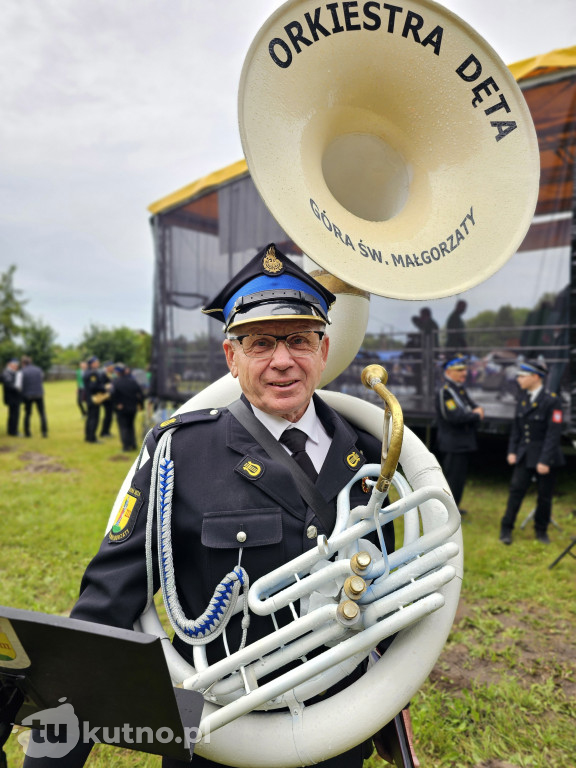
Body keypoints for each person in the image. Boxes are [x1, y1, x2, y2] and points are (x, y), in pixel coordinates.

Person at [24, 244, 395, 768]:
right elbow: (109, 603)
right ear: (231, 356)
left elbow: (385, 581)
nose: (283, 360)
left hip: (337, 728)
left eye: (298, 340)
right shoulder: (178, 451)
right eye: (260, 343)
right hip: (219, 736)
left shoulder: (374, 451)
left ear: (324, 347)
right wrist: (54, 755)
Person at [499, 359, 565, 545]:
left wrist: (544, 460)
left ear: (536, 377)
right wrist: (512, 451)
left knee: (544, 496)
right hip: (525, 454)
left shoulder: (552, 400)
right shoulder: (523, 399)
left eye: (523, 375)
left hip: (546, 456)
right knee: (516, 492)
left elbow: (553, 434)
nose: (519, 378)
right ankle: (506, 529)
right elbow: (517, 430)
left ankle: (541, 530)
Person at [435, 355, 484, 514]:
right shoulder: (446, 392)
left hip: (463, 442)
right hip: (453, 443)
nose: (464, 373)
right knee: (452, 480)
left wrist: (474, 412)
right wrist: (476, 415)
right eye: (460, 370)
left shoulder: (459, 389)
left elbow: (473, 406)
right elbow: (454, 417)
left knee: (459, 480)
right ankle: (446, 513)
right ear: (448, 372)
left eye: (465, 370)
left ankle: (454, 509)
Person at [110, 363, 144, 451]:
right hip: (133, 407)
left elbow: (112, 395)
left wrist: (116, 404)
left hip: (122, 408)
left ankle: (126, 446)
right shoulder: (133, 381)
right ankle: (133, 444)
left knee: (123, 427)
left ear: (117, 372)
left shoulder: (115, 382)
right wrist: (140, 404)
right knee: (131, 426)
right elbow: (140, 394)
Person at [20, 355, 48, 438]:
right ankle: (44, 432)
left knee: (27, 414)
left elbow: (19, 384)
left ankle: (27, 433)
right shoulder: (39, 369)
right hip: (39, 394)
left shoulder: (22, 371)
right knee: (42, 413)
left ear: (23, 363)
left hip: (28, 395)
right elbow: (41, 379)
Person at [83, 357, 109, 444]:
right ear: (92, 364)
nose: (98, 364)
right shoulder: (93, 373)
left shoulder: (87, 371)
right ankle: (92, 438)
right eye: (96, 362)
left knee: (90, 418)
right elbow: (93, 386)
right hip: (94, 398)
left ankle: (88, 436)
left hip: (89, 398)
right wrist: (104, 387)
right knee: (94, 418)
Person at [2, 359, 22, 436]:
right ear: (10, 365)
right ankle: (13, 431)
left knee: (13, 414)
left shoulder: (12, 372)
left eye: (17, 365)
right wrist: (18, 389)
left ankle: (11, 430)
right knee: (14, 415)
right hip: (12, 398)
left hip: (14, 397)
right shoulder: (6, 373)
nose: (16, 366)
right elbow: (9, 385)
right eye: (15, 365)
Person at [99, 361, 116, 438]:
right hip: (106, 398)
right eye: (112, 366)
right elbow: (101, 386)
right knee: (108, 415)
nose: (113, 368)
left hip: (110, 397)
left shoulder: (109, 374)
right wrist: (108, 386)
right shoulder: (103, 374)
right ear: (108, 367)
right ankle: (104, 432)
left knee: (109, 415)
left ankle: (107, 431)